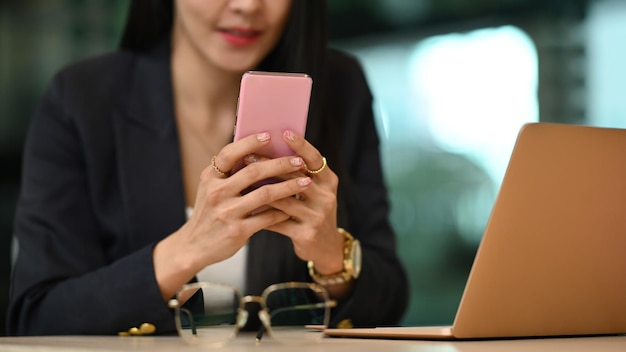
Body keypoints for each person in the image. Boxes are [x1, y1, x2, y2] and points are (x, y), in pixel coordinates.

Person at [7, 0, 408, 335]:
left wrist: (332, 257)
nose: (248, 6)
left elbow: (389, 301)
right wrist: (187, 250)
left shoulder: (339, 86)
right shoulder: (81, 98)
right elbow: (37, 317)